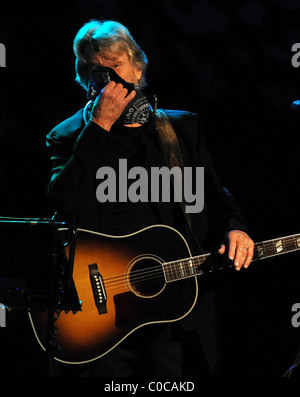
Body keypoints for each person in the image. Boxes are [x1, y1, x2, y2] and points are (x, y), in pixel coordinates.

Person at [46, 20, 254, 377]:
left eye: (115, 67)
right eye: (95, 71)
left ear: (138, 68)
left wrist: (235, 228)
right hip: (105, 316)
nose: (107, 79)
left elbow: (214, 196)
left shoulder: (182, 128)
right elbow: (64, 202)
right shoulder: (67, 136)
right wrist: (98, 129)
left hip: (179, 310)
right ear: (83, 79)